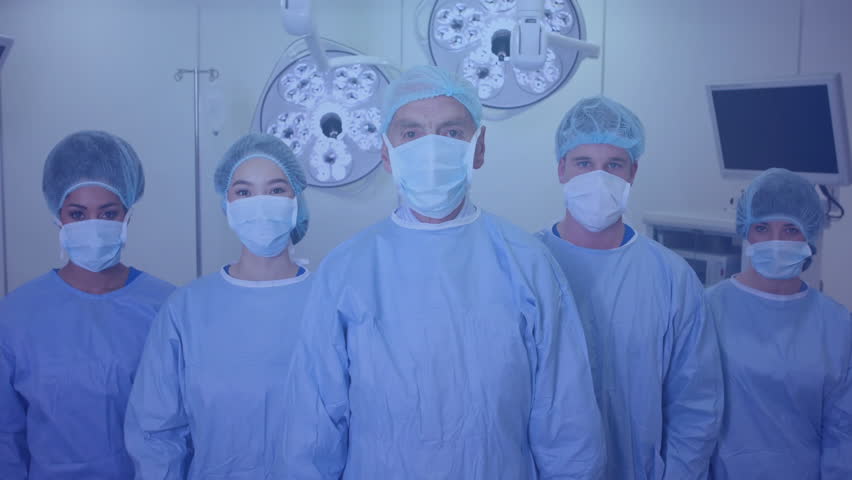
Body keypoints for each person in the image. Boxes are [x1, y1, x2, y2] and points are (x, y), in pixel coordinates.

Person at [281, 65, 605, 480]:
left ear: (479, 147)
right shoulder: (347, 271)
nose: (431, 150)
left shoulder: (528, 264)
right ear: (386, 151)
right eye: (412, 134)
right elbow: (312, 429)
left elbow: (567, 424)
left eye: (451, 133)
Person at [535, 96, 723, 479]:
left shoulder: (670, 276)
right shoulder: (527, 265)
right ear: (561, 169)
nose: (598, 178)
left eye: (614, 165)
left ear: (632, 172)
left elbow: (695, 402)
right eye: (584, 163)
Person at [124, 133, 313, 479]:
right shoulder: (187, 310)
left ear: (297, 199)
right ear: (226, 204)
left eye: (275, 190)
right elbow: (157, 433)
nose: (260, 203)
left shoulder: (330, 302)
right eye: (243, 192)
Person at [0, 131, 175, 479]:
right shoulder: (15, 316)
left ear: (128, 216)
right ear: (58, 216)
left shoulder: (167, 307)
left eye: (108, 213)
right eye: (78, 214)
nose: (93, 226)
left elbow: (180, 428)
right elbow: (6, 438)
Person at [706, 168, 852, 480]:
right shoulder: (706, 310)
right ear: (745, 231)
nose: (775, 241)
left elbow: (844, 431)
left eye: (789, 230)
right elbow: (686, 417)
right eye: (762, 228)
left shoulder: (838, 326)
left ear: (810, 234)